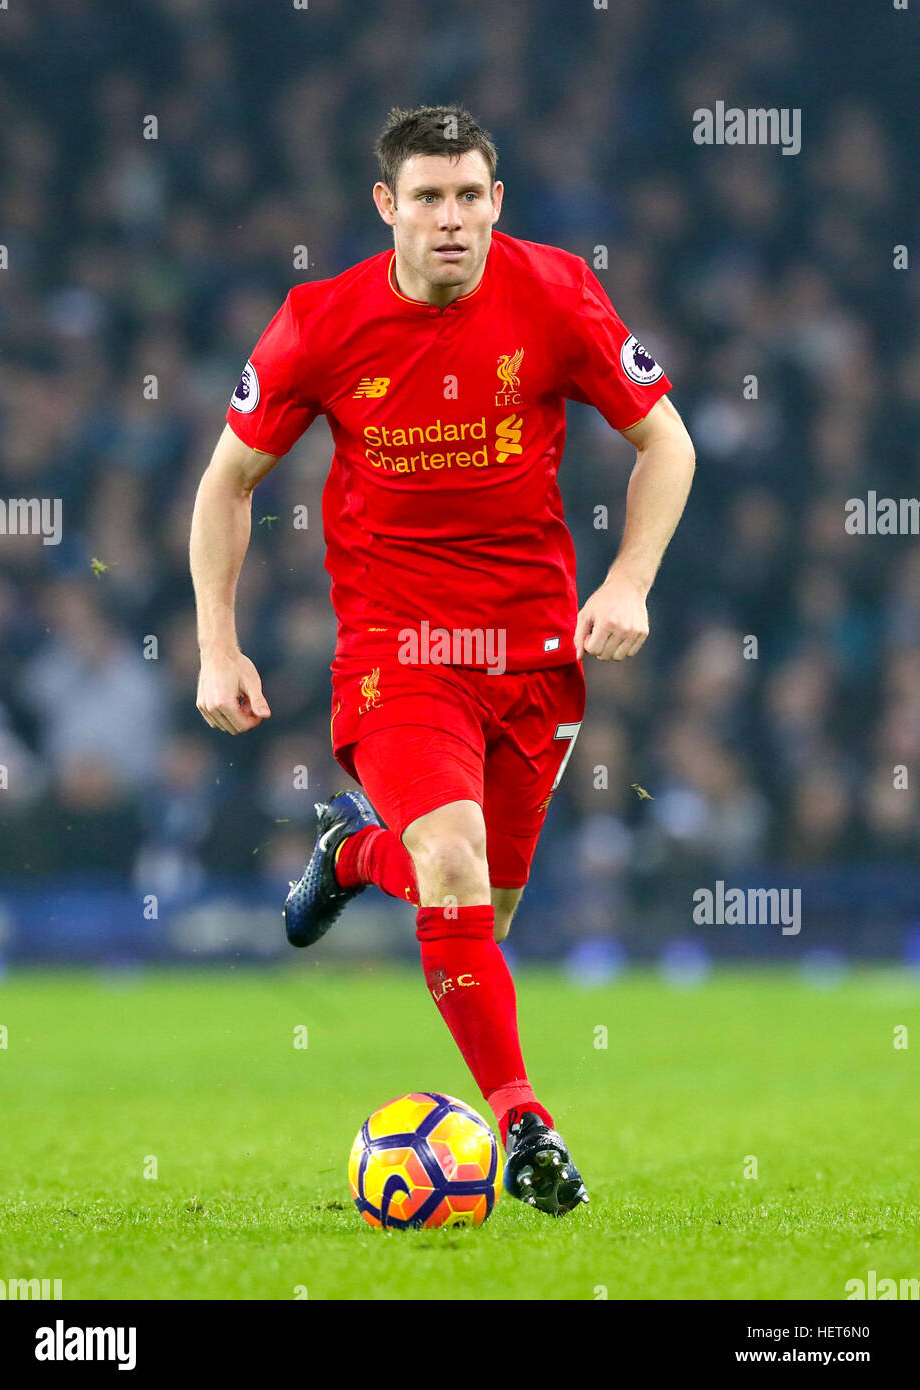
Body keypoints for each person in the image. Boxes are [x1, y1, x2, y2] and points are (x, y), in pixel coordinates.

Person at [190, 105, 695, 1216]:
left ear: (496, 201)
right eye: (427, 198)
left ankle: (352, 855)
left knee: (482, 916)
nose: (451, 219)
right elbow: (228, 482)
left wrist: (627, 582)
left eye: (470, 195)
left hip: (532, 656)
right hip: (399, 650)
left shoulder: (557, 293)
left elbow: (667, 442)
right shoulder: (319, 324)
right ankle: (525, 1125)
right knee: (457, 870)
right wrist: (215, 645)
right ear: (387, 208)